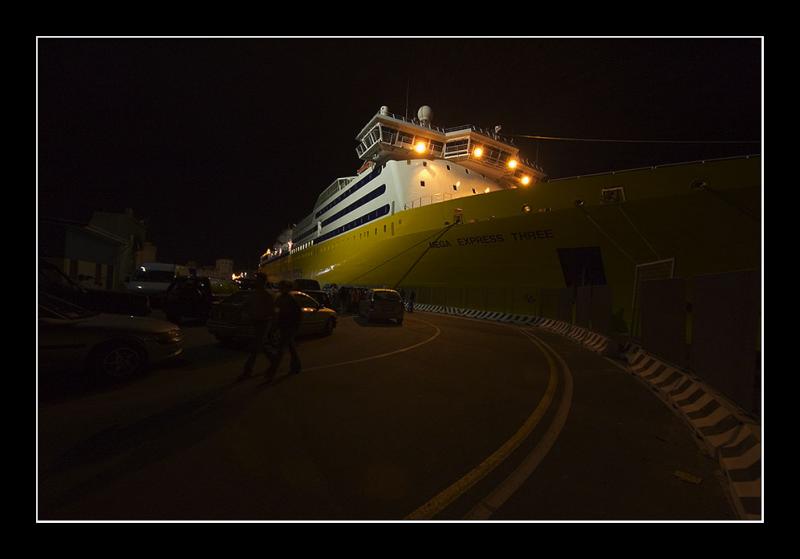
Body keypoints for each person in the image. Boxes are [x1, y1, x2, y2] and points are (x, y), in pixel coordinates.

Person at [238, 273, 275, 380]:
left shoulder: (267, 295)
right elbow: (246, 305)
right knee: (260, 345)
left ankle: (247, 370)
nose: (256, 282)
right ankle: (274, 360)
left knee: (256, 347)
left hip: (263, 323)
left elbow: (271, 311)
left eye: (258, 280)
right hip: (255, 322)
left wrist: (272, 324)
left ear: (263, 282)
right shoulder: (254, 294)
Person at [265, 280, 303, 381]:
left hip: (289, 326)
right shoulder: (280, 298)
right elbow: (276, 311)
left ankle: (272, 371)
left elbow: (297, 314)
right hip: (284, 326)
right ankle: (296, 366)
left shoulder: (290, 299)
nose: (280, 288)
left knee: (281, 349)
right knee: (291, 347)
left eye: (282, 286)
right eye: (280, 286)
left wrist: (295, 326)